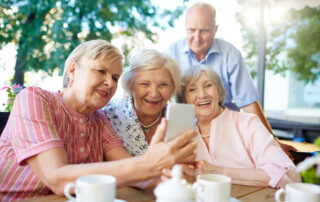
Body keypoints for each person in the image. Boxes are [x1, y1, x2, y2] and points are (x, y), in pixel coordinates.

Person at [0, 40, 197, 201]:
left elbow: (131, 169)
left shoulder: (99, 119)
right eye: (101, 71)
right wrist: (148, 165)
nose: (110, 82)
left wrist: (165, 177)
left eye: (115, 77)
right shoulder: (34, 99)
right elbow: (57, 179)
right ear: (73, 70)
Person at [165, 2, 296, 157]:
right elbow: (160, 97)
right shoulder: (171, 53)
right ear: (185, 28)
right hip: (186, 129)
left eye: (204, 31)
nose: (197, 37)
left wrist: (272, 142)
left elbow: (248, 103)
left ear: (215, 30)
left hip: (225, 130)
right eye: (191, 30)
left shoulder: (230, 54)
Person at [176, 64, 301, 188]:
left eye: (208, 85)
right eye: (192, 89)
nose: (202, 94)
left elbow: (285, 174)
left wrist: (217, 171)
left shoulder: (247, 123)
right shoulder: (184, 136)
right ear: (184, 99)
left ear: (218, 90)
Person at [104, 49, 180, 156]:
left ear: (173, 87)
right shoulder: (109, 114)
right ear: (130, 85)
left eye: (163, 85)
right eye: (145, 84)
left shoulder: (178, 119)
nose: (154, 94)